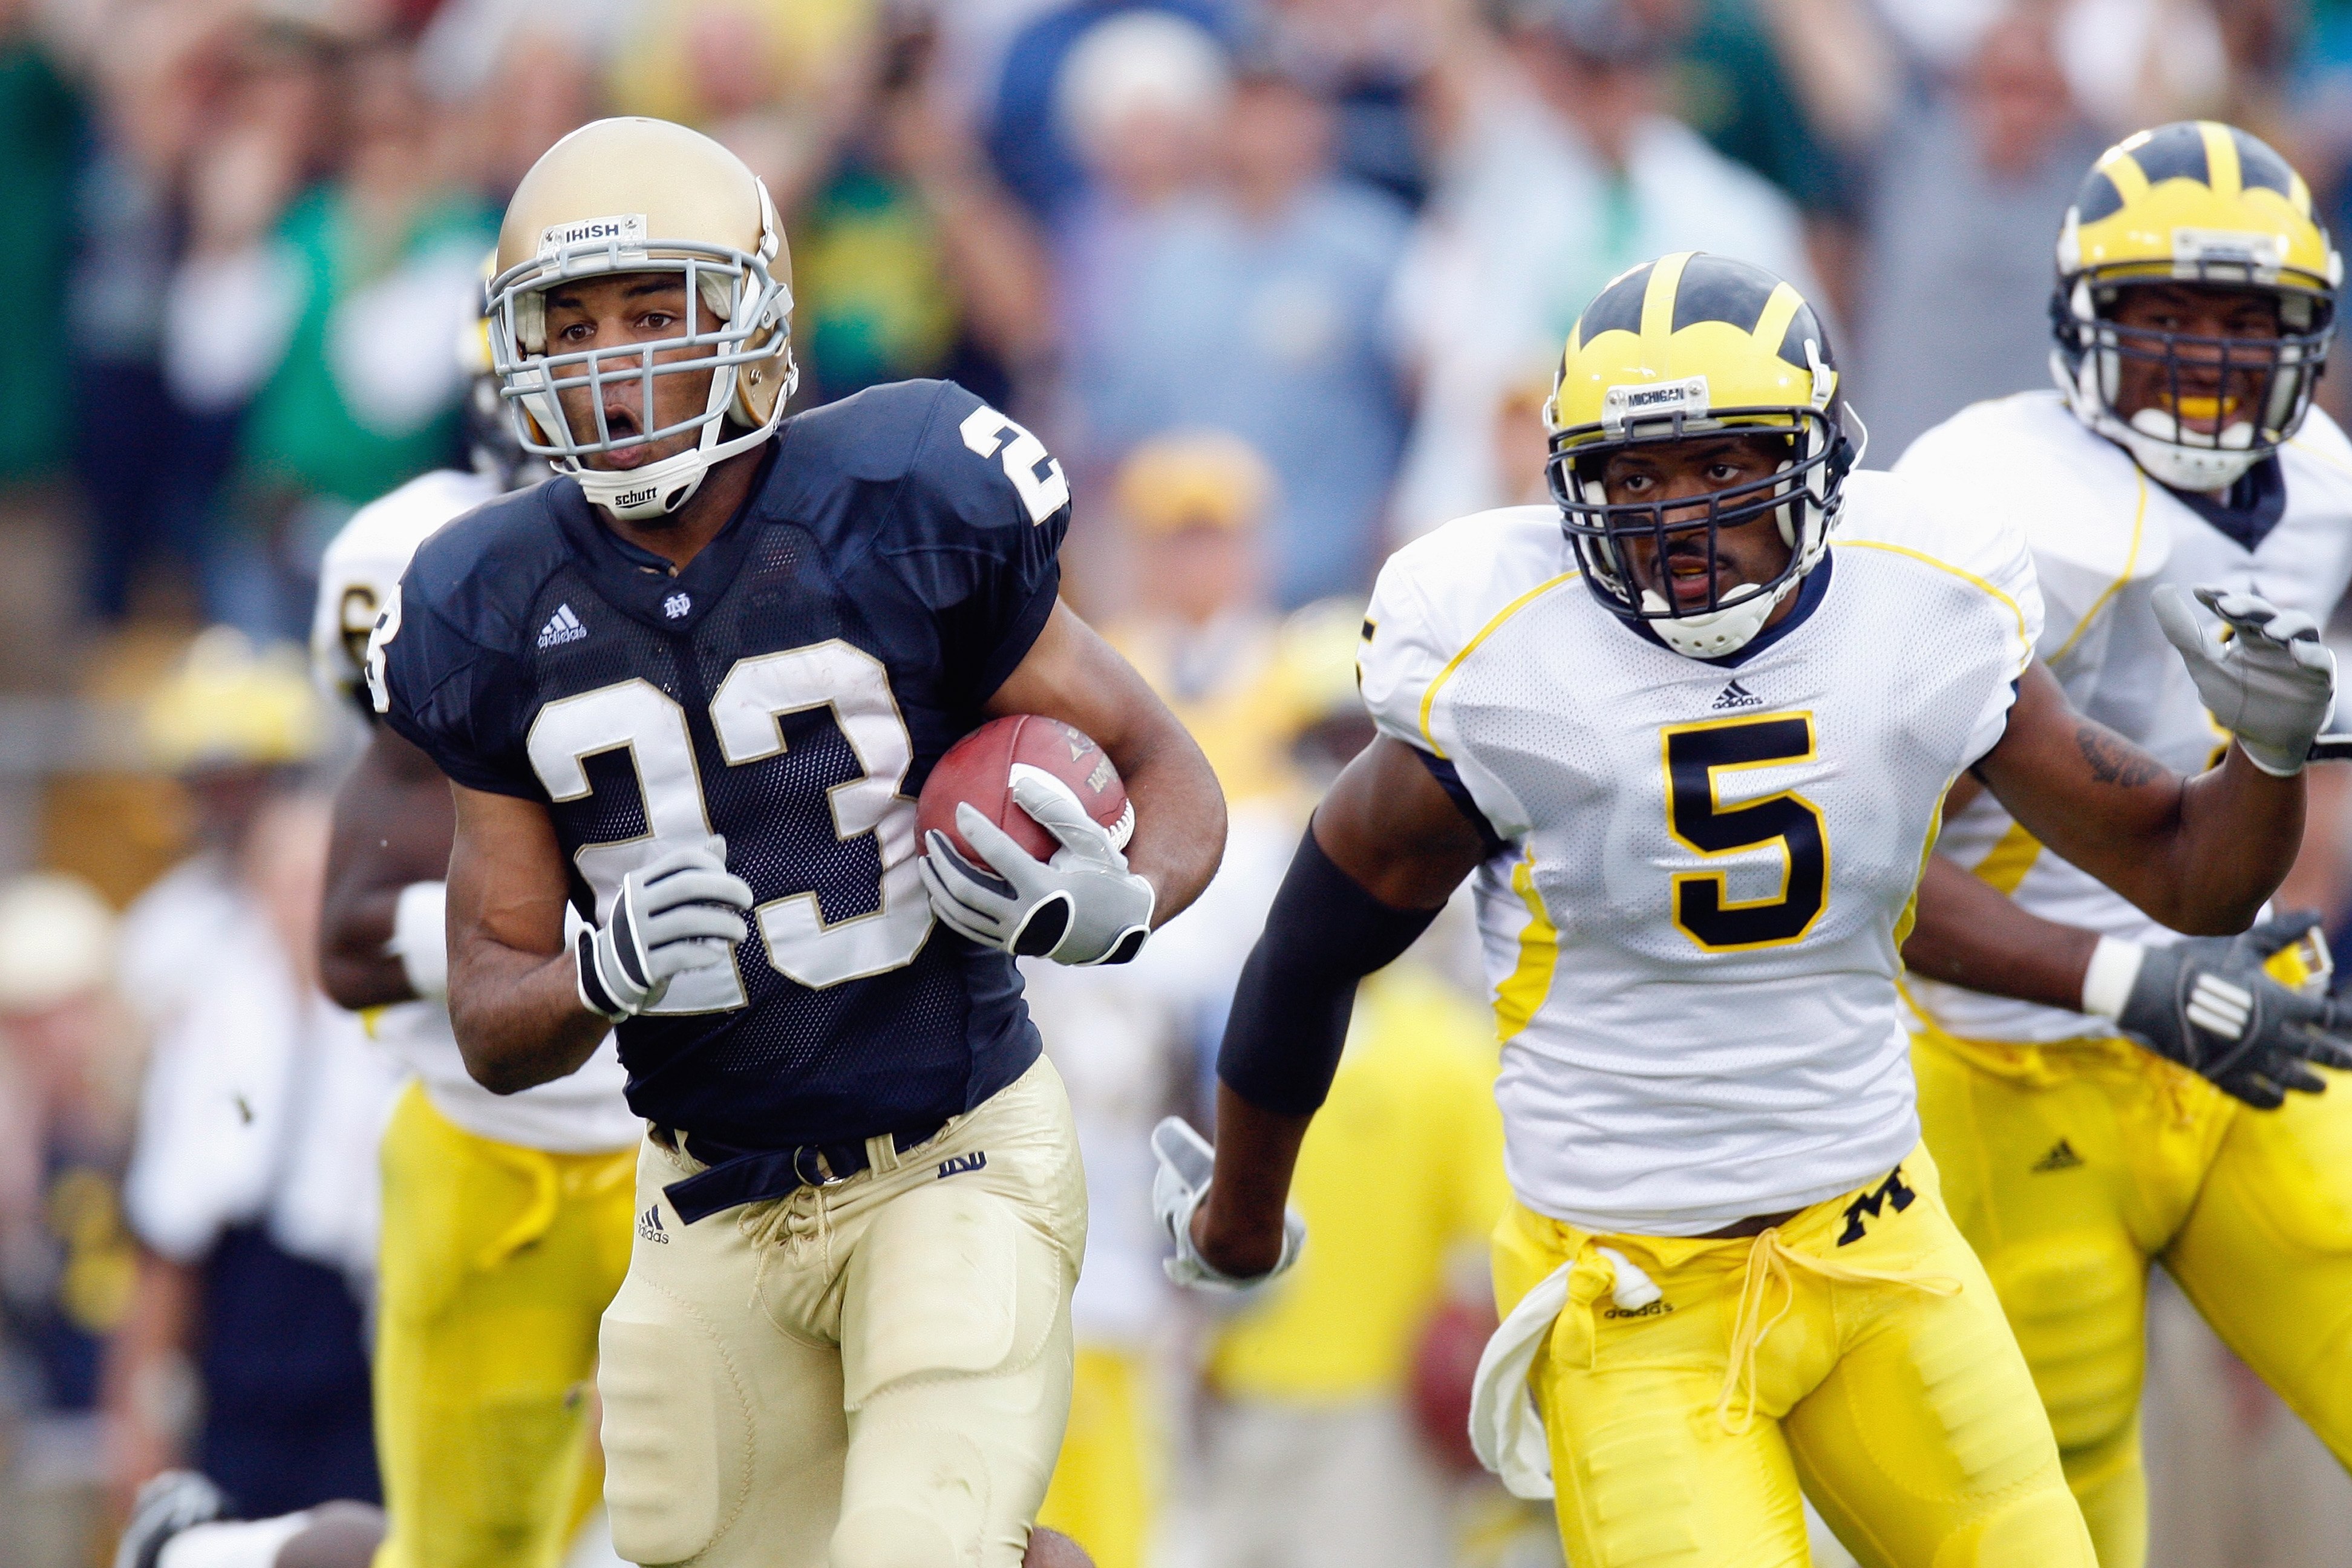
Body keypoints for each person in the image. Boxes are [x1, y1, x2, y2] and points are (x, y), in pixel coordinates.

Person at [1153, 249, 2339, 1567]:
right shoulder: (1499, 652)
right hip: (1634, 1296)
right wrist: (1240, 1224)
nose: (1678, 516)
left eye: (1726, 466)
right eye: (1633, 475)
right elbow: (1310, 952)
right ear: (1568, 488)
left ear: (1820, 462)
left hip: (1887, 1244)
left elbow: (2189, 875)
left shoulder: (1924, 596)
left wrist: (2267, 757)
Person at [367, 117, 1223, 1568]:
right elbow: (494, 1008)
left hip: (950, 1155)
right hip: (705, 1193)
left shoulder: (901, 494)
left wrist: (1111, 902)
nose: (613, 363)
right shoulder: (482, 600)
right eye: (570, 327)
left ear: (752, 325)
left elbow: (1170, 771)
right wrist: (599, 974)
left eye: (655, 315)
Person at [1893, 120, 2352, 1568]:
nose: (2209, 359)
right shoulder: (1987, 509)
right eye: (2167, 316)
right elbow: (1862, 878)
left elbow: (2261, 788)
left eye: (2244, 322)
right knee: (2060, 1513)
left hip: (2242, 1031)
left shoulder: (2323, 483)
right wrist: (2123, 982)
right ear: (2081, 323)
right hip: (2007, 1066)